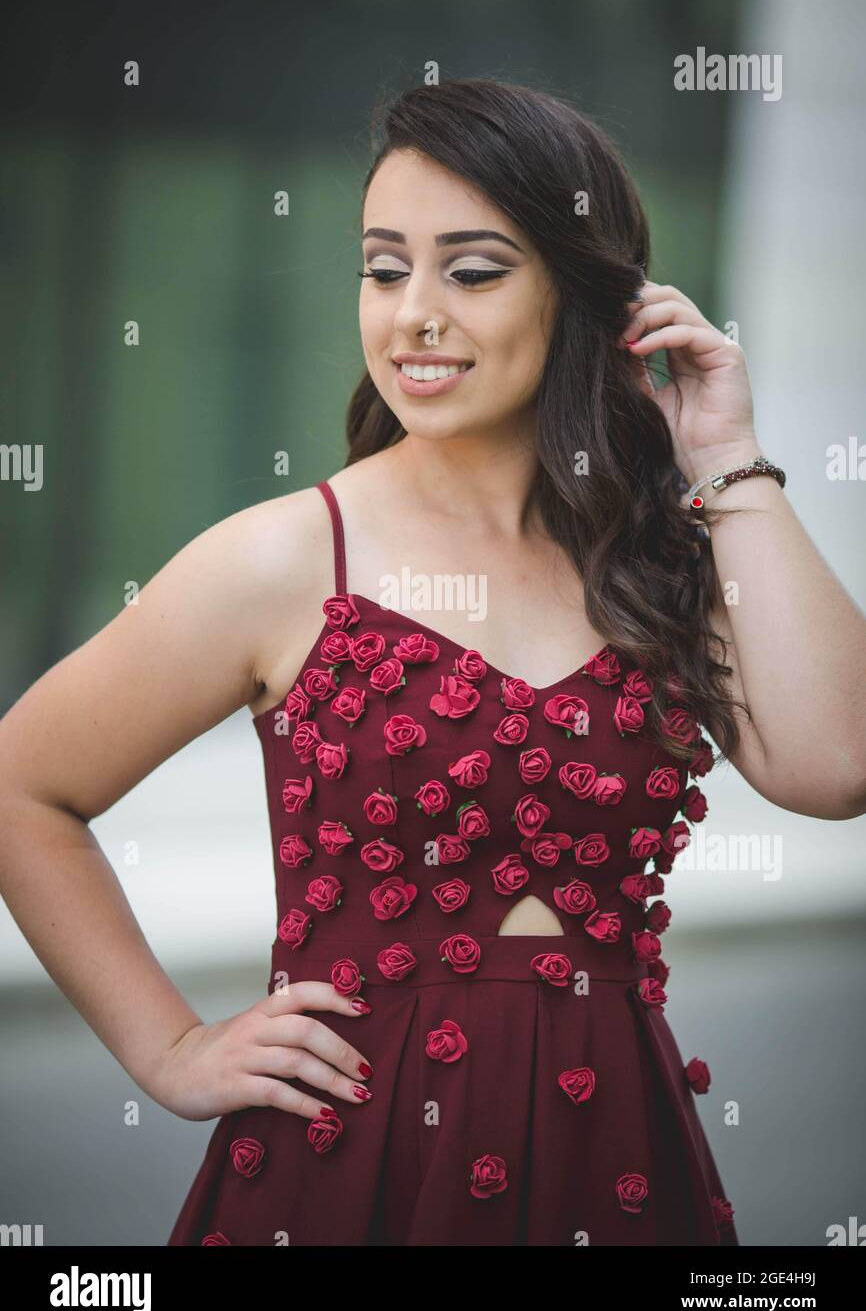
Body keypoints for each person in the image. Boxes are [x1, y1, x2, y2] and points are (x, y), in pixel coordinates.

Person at [2, 78, 865, 1247]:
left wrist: (726, 458)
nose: (412, 312)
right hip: (346, 1164)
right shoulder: (283, 557)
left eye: (469, 271)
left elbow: (832, 764)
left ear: (580, 293)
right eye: (381, 267)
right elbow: (23, 785)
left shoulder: (660, 552)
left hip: (613, 1163)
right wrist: (170, 1047)